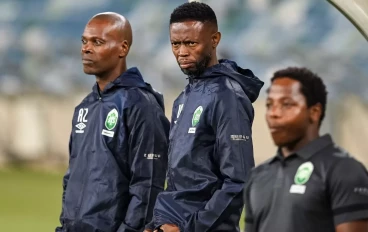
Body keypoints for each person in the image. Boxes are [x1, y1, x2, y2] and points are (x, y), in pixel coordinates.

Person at [147, 2, 264, 232]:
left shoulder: (227, 96)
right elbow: (181, 179)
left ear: (214, 39)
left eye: (191, 43)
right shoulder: (184, 98)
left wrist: (188, 229)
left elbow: (239, 181)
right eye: (175, 44)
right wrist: (155, 224)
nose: (181, 52)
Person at [55, 12, 170, 232]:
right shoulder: (84, 107)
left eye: (97, 42)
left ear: (123, 48)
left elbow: (148, 183)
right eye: (84, 41)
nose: (86, 48)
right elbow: (72, 177)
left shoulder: (142, 105)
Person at [244, 67, 368, 232]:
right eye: (269, 105)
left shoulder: (345, 170)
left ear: (314, 112)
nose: (274, 113)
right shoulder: (258, 176)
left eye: (286, 104)